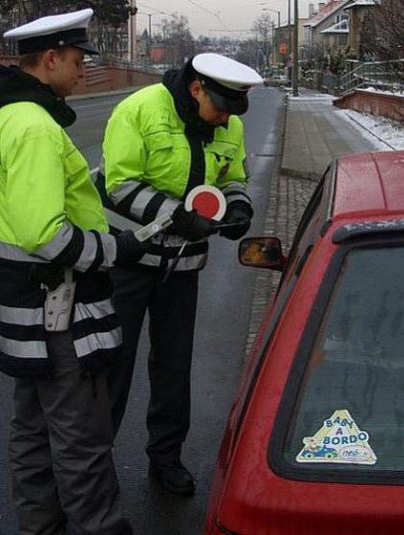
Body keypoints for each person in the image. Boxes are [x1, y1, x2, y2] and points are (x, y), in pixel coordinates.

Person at [0, 8, 145, 535]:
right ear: (50, 59)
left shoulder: (7, 116)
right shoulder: (35, 128)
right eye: (76, 60)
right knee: (82, 443)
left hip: (24, 311)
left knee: (31, 433)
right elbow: (45, 234)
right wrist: (116, 249)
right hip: (58, 313)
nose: (82, 71)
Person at [97, 53, 263, 495]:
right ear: (196, 90)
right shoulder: (140, 110)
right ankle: (94, 465)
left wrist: (239, 206)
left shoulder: (229, 123)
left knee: (173, 367)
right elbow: (120, 183)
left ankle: (166, 458)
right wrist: (177, 215)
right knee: (112, 365)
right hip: (128, 262)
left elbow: (232, 177)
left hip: (183, 266)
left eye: (233, 110)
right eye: (221, 107)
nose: (226, 118)